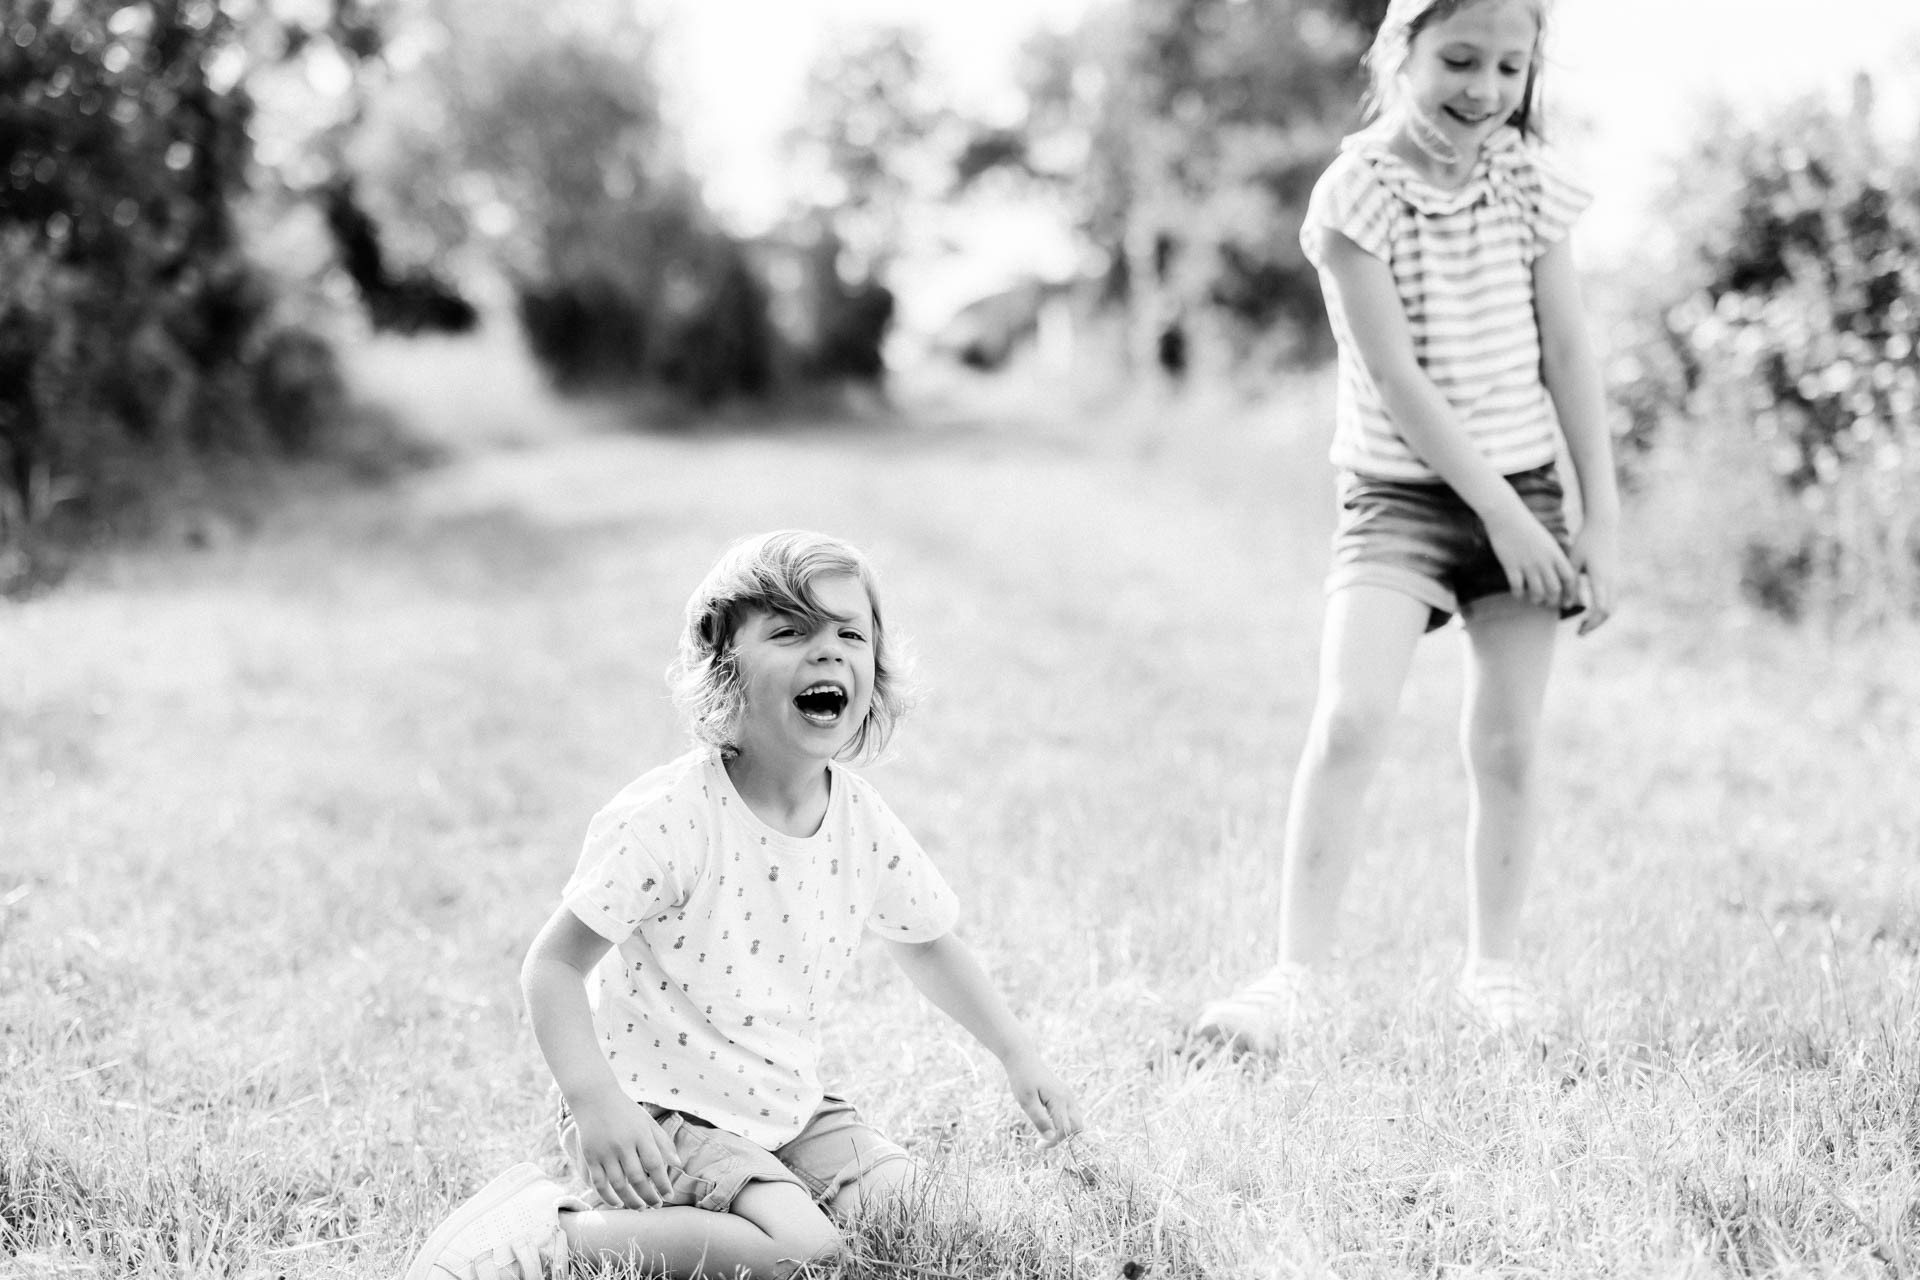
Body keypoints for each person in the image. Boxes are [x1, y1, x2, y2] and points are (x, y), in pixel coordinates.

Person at [404, 530, 1084, 1280]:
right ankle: (551, 1233)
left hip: (786, 1108)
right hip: (662, 1110)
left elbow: (926, 942)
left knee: (916, 1208)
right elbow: (553, 968)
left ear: (874, 668)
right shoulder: (671, 818)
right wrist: (598, 1104)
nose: (826, 652)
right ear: (723, 671)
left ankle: (763, 1192)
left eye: (849, 634)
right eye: (790, 632)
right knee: (800, 1250)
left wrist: (1019, 1054)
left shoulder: (859, 819)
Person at [1191, 0, 1619, 1052]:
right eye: (1460, 58)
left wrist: (1598, 517)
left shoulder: (1528, 179)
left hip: (1526, 485)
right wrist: (1503, 517)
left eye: (1510, 66)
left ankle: (1495, 970)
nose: (1484, 87)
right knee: (1350, 720)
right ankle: (1293, 979)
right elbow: (1394, 375)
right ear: (1402, 52)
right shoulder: (1356, 193)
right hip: (1400, 496)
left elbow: (1569, 351)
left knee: (1510, 743)